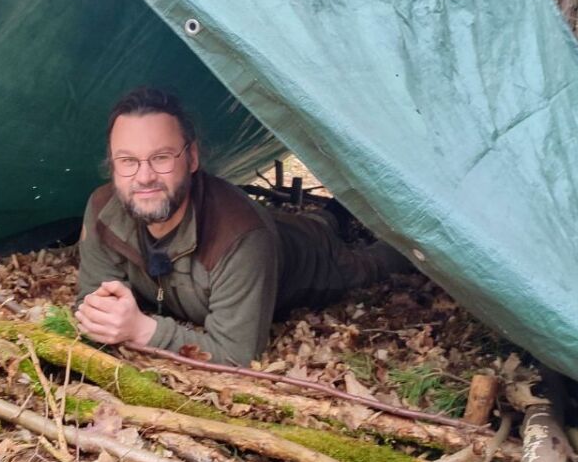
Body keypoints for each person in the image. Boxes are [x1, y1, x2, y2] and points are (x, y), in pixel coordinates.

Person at [74, 87, 411, 366]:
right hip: (274, 225)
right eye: (128, 161)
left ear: (192, 158)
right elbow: (91, 302)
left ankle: (405, 237)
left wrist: (144, 330)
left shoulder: (241, 238)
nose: (144, 177)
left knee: (366, 264)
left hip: (308, 257)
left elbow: (236, 356)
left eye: (161, 157)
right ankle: (331, 214)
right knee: (312, 220)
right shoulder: (105, 210)